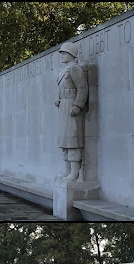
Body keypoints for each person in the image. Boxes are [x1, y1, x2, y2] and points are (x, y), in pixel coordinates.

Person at [55, 41, 88, 182]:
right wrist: (59, 100)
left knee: (73, 140)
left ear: (71, 54)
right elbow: (62, 88)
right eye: (61, 53)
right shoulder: (64, 70)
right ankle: (67, 170)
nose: (62, 55)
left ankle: (75, 172)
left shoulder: (75, 69)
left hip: (71, 106)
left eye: (64, 53)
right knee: (64, 140)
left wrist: (77, 105)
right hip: (64, 106)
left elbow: (82, 88)